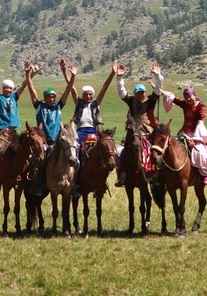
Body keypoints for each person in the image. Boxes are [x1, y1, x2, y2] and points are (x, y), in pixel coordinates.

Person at [61, 58, 115, 196]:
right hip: (79, 133)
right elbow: (71, 87)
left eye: (91, 94)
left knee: (105, 155)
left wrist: (112, 73)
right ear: (83, 94)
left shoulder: (96, 103)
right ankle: (76, 182)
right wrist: (65, 73)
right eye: (87, 94)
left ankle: (102, 183)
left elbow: (105, 87)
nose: (89, 96)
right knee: (76, 156)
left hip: (94, 133)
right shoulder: (78, 102)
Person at [0, 61, 37, 185]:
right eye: (6, 87)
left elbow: (24, 85)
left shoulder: (15, 97)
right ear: (3, 88)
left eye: (10, 88)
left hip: (13, 131)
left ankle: (24, 172)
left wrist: (29, 74)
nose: (8, 89)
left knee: (25, 149)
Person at [26, 60, 77, 195]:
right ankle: (38, 185)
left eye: (54, 96)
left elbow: (68, 90)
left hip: (57, 141)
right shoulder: (39, 106)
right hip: (43, 142)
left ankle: (73, 185)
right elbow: (31, 90)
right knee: (39, 162)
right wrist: (28, 75)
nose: (53, 99)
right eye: (50, 96)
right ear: (45, 97)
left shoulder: (58, 106)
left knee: (72, 158)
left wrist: (72, 76)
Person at [114, 61, 164, 186]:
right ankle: (122, 175)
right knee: (120, 152)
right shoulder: (130, 101)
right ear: (135, 93)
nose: (140, 95)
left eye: (142, 93)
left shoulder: (151, 101)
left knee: (155, 153)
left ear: (145, 93)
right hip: (133, 133)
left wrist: (158, 76)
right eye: (138, 93)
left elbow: (158, 89)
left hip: (148, 133)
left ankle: (157, 175)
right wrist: (119, 78)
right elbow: (121, 92)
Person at [161, 87, 207, 185]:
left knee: (201, 152)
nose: (188, 99)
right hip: (184, 133)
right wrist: (159, 89)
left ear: (194, 95)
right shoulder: (185, 104)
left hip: (197, 133)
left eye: (189, 96)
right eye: (185, 97)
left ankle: (206, 174)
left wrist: (194, 139)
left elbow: (200, 123)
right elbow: (172, 97)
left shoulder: (201, 107)